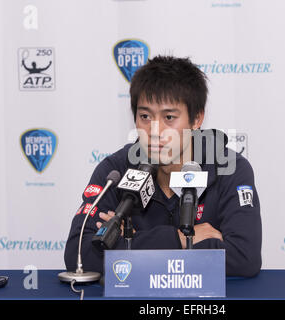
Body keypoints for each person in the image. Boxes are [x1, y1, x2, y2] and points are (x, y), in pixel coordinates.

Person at [64, 55, 262, 277]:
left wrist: (127, 243)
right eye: (145, 116)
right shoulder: (116, 170)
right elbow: (78, 255)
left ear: (196, 119)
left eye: (169, 117)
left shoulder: (229, 168)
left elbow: (244, 258)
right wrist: (181, 239)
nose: (155, 131)